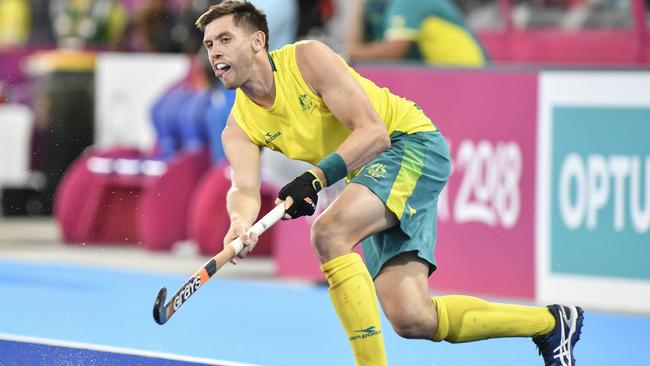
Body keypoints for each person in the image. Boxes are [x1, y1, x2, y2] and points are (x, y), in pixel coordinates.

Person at [195, 2, 583, 365]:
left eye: (225, 39)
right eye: (210, 44)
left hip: (408, 144)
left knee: (329, 233)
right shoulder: (238, 128)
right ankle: (551, 324)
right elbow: (243, 189)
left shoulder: (306, 59)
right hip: (368, 172)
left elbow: (373, 133)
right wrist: (239, 223)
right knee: (413, 318)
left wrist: (315, 178)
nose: (215, 52)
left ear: (258, 41)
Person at [346, 0, 489, 66]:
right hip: (440, 79)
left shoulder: (409, 2)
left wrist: (340, 52)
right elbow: (355, 45)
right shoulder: (377, 7)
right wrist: (358, 9)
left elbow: (392, 53)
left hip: (471, 78)